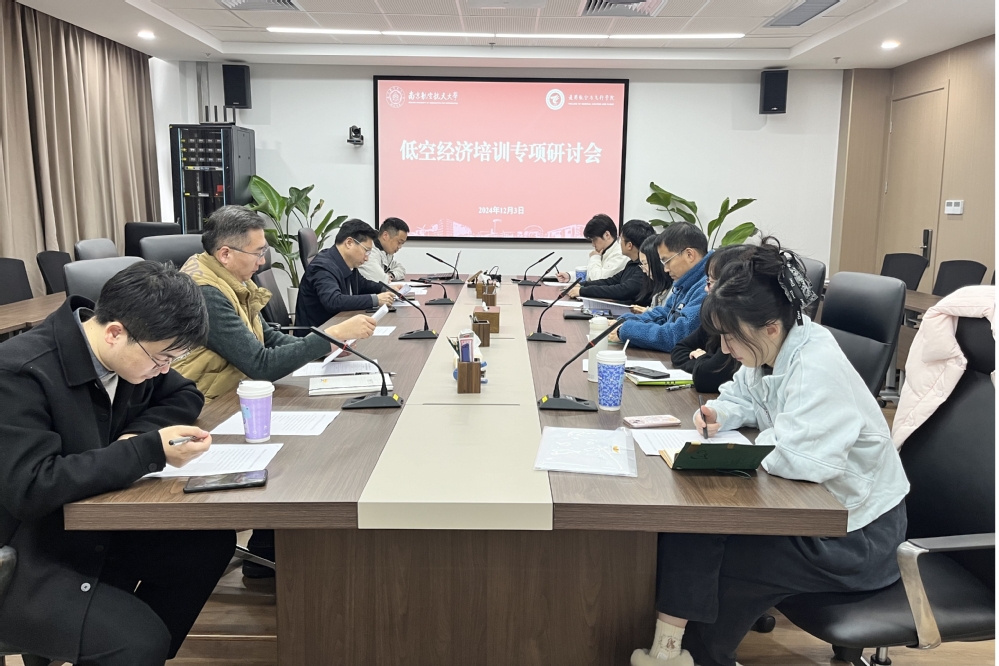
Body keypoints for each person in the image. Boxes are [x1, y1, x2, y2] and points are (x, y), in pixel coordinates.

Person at [631, 237, 909, 666]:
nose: (725, 348)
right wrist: (720, 414)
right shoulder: (772, 349)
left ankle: (695, 656)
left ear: (771, 327)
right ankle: (671, 651)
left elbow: (801, 459)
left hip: (858, 536)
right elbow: (741, 395)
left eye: (731, 337)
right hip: (818, 510)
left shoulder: (816, 364)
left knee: (725, 556)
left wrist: (750, 444)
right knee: (694, 529)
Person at [0, 261, 236, 666]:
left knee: (207, 545)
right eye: (162, 358)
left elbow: (185, 393)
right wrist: (145, 450)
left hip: (90, 526)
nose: (164, 369)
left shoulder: (129, 355)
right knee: (137, 642)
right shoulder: (20, 372)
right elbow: (32, 487)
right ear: (114, 332)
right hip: (26, 553)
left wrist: (133, 435)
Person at [173, 206, 376, 404]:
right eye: (258, 253)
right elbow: (260, 365)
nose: (262, 262)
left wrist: (327, 347)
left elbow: (269, 338)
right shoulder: (206, 293)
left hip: (237, 389)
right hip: (209, 404)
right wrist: (332, 335)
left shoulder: (234, 279)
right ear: (225, 254)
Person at [610, 222, 709, 353]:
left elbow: (676, 336)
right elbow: (663, 314)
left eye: (667, 261)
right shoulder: (685, 281)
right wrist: (624, 321)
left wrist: (626, 330)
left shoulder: (707, 287)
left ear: (689, 255)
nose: (665, 269)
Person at [670, 244, 755, 393]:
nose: (706, 288)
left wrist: (702, 359)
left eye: (711, 282)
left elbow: (706, 376)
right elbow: (679, 349)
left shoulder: (742, 323)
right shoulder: (715, 315)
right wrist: (703, 361)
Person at [296, 219, 395, 330]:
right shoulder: (322, 266)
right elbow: (334, 301)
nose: (367, 258)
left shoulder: (347, 263)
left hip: (337, 326)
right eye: (366, 251)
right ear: (349, 243)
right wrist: (375, 299)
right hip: (318, 333)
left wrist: (386, 289)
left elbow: (362, 284)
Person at [566, 219, 655, 304]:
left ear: (629, 245)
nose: (619, 243)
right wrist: (582, 285)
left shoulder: (645, 268)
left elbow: (622, 290)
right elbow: (610, 281)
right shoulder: (632, 264)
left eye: (621, 239)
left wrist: (582, 291)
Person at [557, 214, 629, 282]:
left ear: (607, 235)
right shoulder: (606, 250)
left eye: (594, 239)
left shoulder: (620, 254)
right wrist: (570, 276)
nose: (593, 244)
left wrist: (595, 257)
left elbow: (598, 279)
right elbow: (591, 273)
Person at [630, 234, 673, 315]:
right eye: (642, 264)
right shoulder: (659, 292)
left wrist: (648, 312)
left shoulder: (674, 292)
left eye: (645, 264)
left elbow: (666, 320)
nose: (644, 270)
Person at [359, 217, 409, 283]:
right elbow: (380, 278)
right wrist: (386, 277)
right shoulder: (370, 252)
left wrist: (391, 275)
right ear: (385, 235)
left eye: (402, 243)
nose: (399, 247)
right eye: (399, 242)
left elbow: (401, 269)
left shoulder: (386, 252)